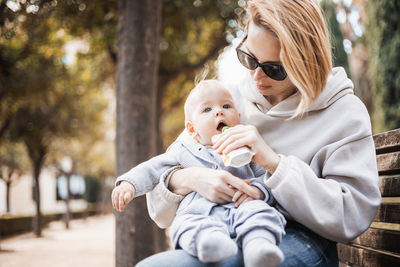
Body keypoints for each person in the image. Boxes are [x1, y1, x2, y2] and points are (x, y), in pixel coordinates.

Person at [136, 0, 382, 266]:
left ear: (306, 62)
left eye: (274, 69)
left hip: (303, 237)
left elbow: (352, 214)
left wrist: (274, 163)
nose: (255, 77)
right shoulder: (227, 102)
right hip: (220, 227)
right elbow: (161, 206)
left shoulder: (344, 111)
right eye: (249, 58)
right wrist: (192, 178)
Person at [112, 80, 286, 266]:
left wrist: (258, 191)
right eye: (207, 110)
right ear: (192, 130)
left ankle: (258, 247)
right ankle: (209, 245)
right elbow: (152, 168)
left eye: (226, 106)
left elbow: (266, 176)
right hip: (200, 213)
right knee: (184, 224)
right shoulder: (183, 150)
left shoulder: (247, 146)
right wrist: (128, 184)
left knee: (261, 212)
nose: (219, 111)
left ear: (238, 116)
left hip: (242, 205)